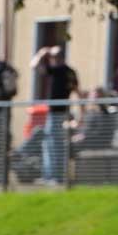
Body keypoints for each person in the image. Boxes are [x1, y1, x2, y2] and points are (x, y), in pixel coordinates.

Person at [30, 46, 79, 184]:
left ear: (57, 58)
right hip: (64, 112)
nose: (51, 60)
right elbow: (77, 91)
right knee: (52, 143)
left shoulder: (58, 70)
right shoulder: (71, 72)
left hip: (57, 113)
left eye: (52, 57)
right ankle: (51, 175)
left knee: (54, 144)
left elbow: (33, 65)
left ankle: (54, 177)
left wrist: (41, 53)